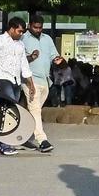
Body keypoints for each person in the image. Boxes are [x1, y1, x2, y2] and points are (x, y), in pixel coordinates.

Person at [0, 17, 36, 156]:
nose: (21, 34)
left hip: (16, 80)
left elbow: (24, 64)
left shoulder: (20, 45)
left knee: (12, 112)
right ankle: (5, 144)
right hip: (2, 78)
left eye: (23, 32)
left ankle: (4, 144)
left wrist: (31, 83)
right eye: (19, 31)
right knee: (8, 110)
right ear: (11, 28)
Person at [22, 15, 61, 152]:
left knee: (33, 111)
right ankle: (42, 140)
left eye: (40, 27)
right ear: (29, 25)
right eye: (35, 27)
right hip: (30, 80)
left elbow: (53, 55)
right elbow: (19, 59)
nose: (38, 30)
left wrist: (57, 59)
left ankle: (22, 136)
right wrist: (31, 57)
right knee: (35, 110)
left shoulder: (47, 39)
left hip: (45, 80)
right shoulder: (23, 39)